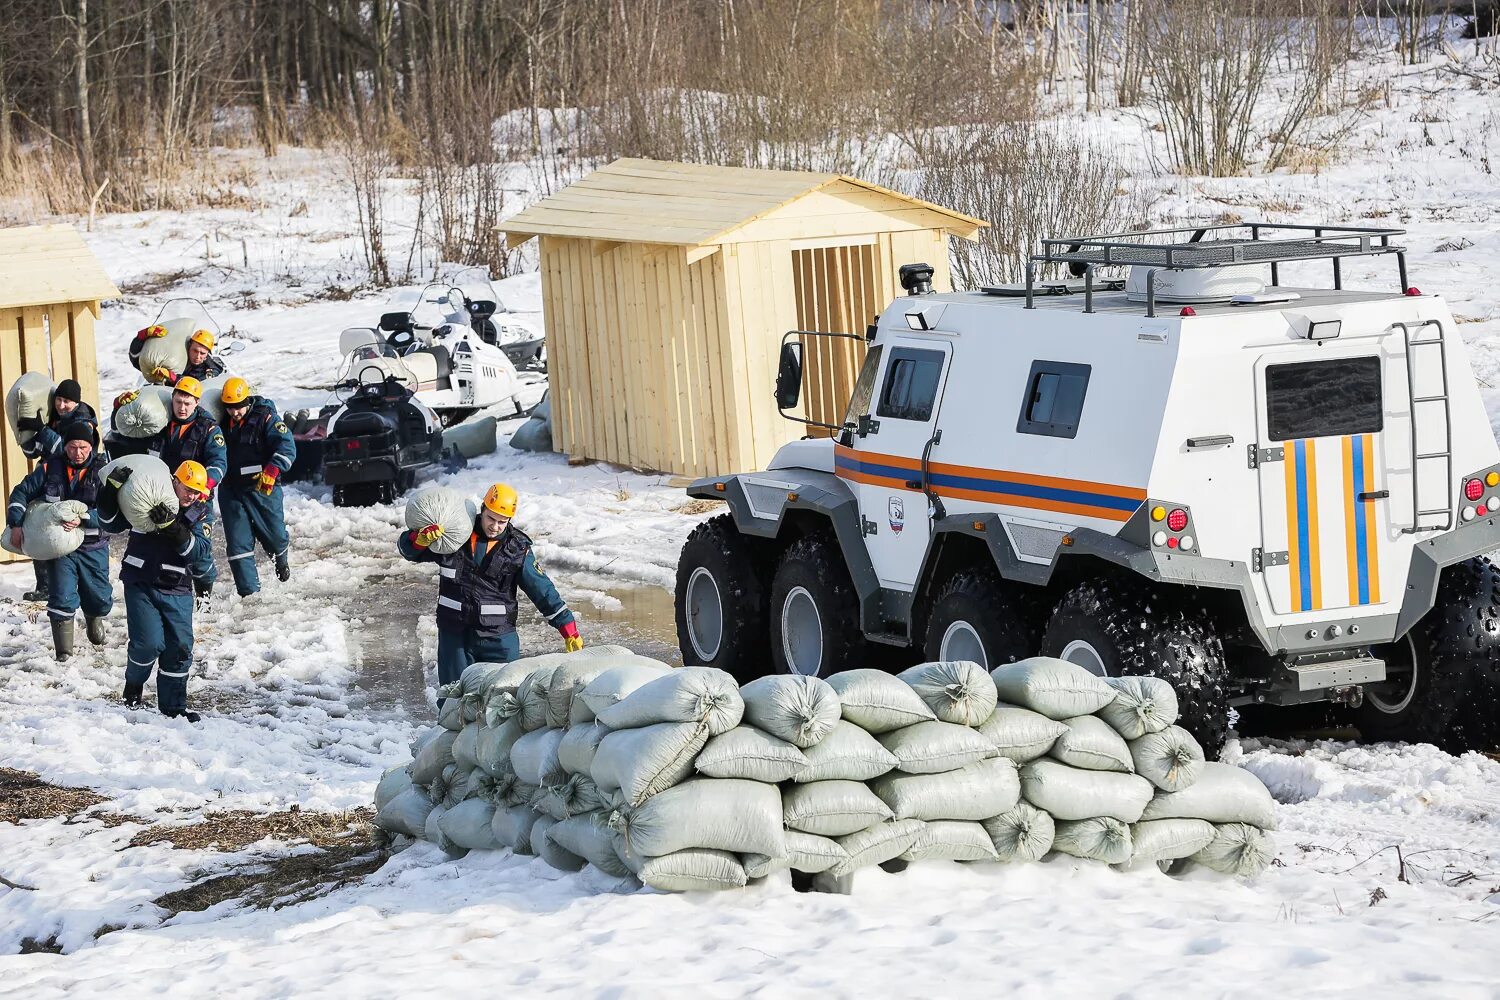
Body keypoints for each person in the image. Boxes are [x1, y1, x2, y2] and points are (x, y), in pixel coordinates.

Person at [398, 482, 582, 690]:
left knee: (502, 702)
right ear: (482, 510)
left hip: (498, 638)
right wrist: (418, 540)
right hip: (455, 636)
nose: (495, 526)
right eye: (491, 518)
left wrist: (568, 629)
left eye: (502, 522)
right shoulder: (456, 534)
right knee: (453, 699)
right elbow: (410, 552)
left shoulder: (516, 549)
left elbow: (541, 589)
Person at [97, 460, 212, 722]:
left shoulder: (201, 512)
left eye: (196, 492)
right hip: (141, 582)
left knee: (180, 648)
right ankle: (133, 688)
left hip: (177, 587)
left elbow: (198, 551)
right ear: (174, 481)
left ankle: (173, 708)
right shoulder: (147, 495)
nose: (190, 496)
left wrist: (172, 527)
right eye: (186, 489)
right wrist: (109, 494)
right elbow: (111, 524)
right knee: (149, 644)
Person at [6, 421, 112, 658]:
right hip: (60, 548)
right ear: (65, 446)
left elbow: (111, 511)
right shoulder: (49, 468)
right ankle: (64, 653)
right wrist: (16, 523)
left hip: (93, 546)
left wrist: (85, 519)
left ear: (91, 447)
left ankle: (94, 616)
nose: (77, 453)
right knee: (61, 596)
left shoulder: (103, 471)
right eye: (72, 447)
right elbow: (21, 492)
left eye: (83, 447)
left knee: (99, 598)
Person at [14, 379, 99, 601]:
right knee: (40, 525)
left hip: (78, 481)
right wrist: (28, 435)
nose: (62, 405)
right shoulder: (55, 419)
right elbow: (34, 452)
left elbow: (67, 449)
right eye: (59, 400)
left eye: (67, 401)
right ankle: (44, 586)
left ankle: (78, 589)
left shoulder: (83, 423)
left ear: (77, 402)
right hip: (52, 476)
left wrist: (41, 430)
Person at [217, 377, 295, 596]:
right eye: (230, 408)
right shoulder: (220, 422)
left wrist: (273, 469)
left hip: (262, 487)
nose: (235, 412)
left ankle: (280, 557)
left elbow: (286, 445)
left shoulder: (266, 418)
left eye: (239, 407)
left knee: (275, 535)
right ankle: (249, 593)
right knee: (237, 545)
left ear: (248, 401)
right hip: (232, 489)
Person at [154, 376, 226, 602]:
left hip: (196, 497)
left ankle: (203, 598)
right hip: (166, 493)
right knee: (164, 542)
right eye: (178, 402)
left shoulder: (208, 429)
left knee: (198, 550)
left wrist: (205, 486)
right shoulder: (160, 423)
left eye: (187, 403)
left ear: (197, 403)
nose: (182, 408)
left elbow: (218, 463)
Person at [129, 325, 226, 386]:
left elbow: (196, 383)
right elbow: (136, 360)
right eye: (195, 351)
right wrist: (141, 337)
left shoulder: (208, 367)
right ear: (189, 346)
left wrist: (173, 377)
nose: (198, 356)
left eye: (202, 353)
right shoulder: (174, 357)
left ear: (207, 354)